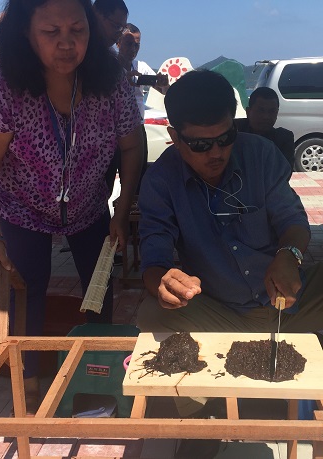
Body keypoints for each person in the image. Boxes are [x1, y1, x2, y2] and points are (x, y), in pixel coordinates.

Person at [137, 70, 323, 458]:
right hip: (215, 309)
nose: (217, 152)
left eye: (225, 138)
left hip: (285, 301)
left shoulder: (261, 154)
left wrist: (288, 256)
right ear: (174, 137)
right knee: (152, 314)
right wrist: (162, 281)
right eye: (201, 144)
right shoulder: (160, 179)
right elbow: (154, 253)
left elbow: (293, 221)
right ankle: (199, 420)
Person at [0, 0, 143, 415]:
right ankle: (28, 388)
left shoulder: (111, 80)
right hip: (22, 207)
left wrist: (122, 211)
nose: (67, 44)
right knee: (25, 291)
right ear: (25, 33)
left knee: (99, 292)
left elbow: (133, 145)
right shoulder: (2, 86)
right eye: (51, 32)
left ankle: (96, 380)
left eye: (77, 31)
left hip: (88, 205)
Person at [117, 23, 169, 190]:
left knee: (136, 179)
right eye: (129, 43)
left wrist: (163, 83)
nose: (133, 49)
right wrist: (121, 78)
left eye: (137, 44)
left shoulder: (141, 67)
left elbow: (164, 91)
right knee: (106, 178)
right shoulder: (108, 66)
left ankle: (131, 213)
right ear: (118, 43)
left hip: (137, 128)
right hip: (110, 131)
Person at [235, 87, 295, 173]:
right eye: (260, 110)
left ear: (277, 113)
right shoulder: (234, 131)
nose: (266, 117)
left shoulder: (283, 139)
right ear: (248, 112)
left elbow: (284, 175)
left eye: (271, 111)